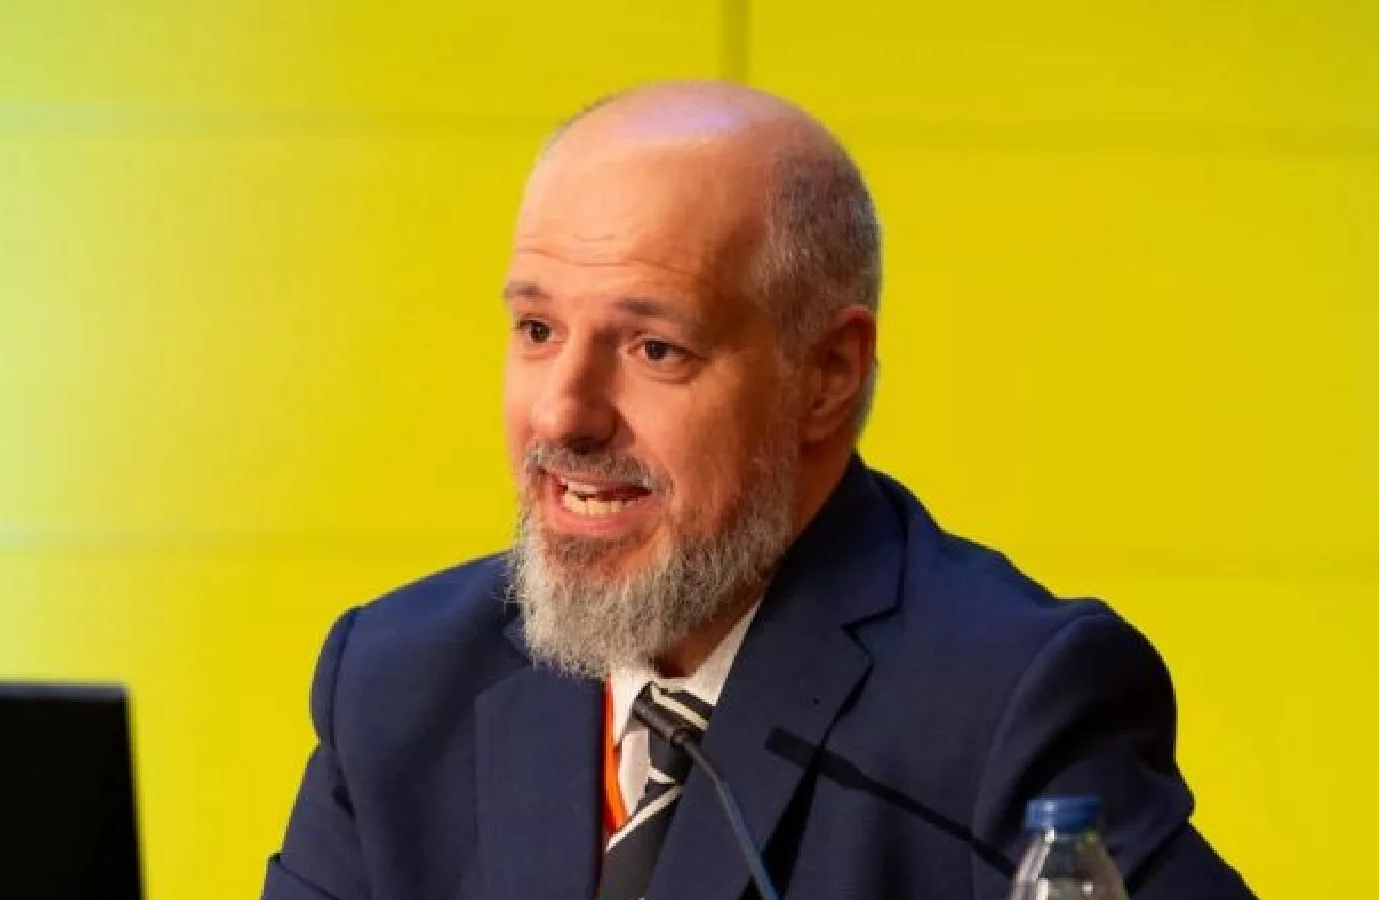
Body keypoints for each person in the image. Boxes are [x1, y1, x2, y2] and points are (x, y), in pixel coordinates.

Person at [260, 81, 1254, 900]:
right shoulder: (398, 684)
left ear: (826, 374)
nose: (563, 414)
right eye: (537, 331)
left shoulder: (1012, 706)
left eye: (654, 348)